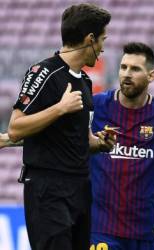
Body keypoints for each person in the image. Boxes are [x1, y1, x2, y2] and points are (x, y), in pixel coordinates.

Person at [6, 4, 114, 250]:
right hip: (47, 189)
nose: (102, 48)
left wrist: (101, 143)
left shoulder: (85, 80)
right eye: (102, 40)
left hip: (79, 186)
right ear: (90, 39)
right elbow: (15, 127)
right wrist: (60, 108)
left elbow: (83, 140)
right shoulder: (43, 73)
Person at [89, 42, 154, 250]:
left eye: (135, 69)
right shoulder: (97, 106)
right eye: (123, 67)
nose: (127, 74)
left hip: (144, 231)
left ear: (151, 76)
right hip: (101, 228)